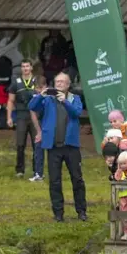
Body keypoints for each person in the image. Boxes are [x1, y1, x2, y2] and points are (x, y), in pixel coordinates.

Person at [29, 72, 88, 222]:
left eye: (63, 82)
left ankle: (81, 211)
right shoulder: (48, 99)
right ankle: (58, 213)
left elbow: (76, 113)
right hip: (53, 146)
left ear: (68, 85)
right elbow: (32, 106)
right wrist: (41, 95)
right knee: (55, 180)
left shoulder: (75, 98)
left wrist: (65, 102)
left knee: (77, 178)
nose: (59, 84)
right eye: (57, 82)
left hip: (71, 146)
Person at [7, 59, 44, 181]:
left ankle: (37, 170)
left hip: (35, 116)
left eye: (27, 66)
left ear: (31, 68)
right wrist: (9, 117)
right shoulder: (16, 83)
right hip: (21, 115)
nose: (25, 68)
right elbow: (10, 100)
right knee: (20, 144)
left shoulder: (37, 81)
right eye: (23, 66)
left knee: (37, 144)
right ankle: (20, 170)